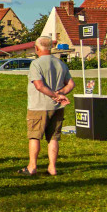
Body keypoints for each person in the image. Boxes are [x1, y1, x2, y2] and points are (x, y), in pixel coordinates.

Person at [21, 37, 74, 177]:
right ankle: (52, 167)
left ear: (37, 48)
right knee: (54, 137)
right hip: (57, 107)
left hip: (38, 106)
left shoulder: (36, 64)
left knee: (34, 137)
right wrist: (60, 94)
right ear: (50, 47)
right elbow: (70, 84)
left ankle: (32, 167)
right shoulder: (60, 63)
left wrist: (53, 95)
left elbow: (39, 85)